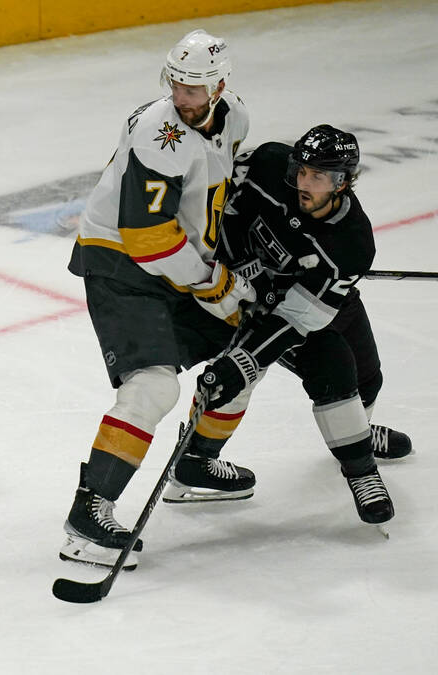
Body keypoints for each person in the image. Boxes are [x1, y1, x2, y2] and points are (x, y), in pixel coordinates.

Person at [61, 28, 258, 569]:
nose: (184, 98)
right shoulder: (157, 134)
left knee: (245, 353)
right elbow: (147, 238)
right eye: (177, 84)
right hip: (121, 262)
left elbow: (222, 188)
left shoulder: (236, 117)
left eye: (196, 89)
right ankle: (87, 515)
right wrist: (213, 282)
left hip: (177, 262)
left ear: (220, 87)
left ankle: (194, 465)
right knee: (152, 388)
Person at [200, 124, 411, 525]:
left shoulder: (351, 245)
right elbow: (219, 209)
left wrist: (248, 356)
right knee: (333, 366)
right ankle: (361, 469)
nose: (304, 183)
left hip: (312, 300)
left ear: (343, 182)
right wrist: (231, 265)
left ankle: (358, 433)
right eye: (302, 170)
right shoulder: (266, 164)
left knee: (369, 379)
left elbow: (298, 317)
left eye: (318, 177)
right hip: (245, 296)